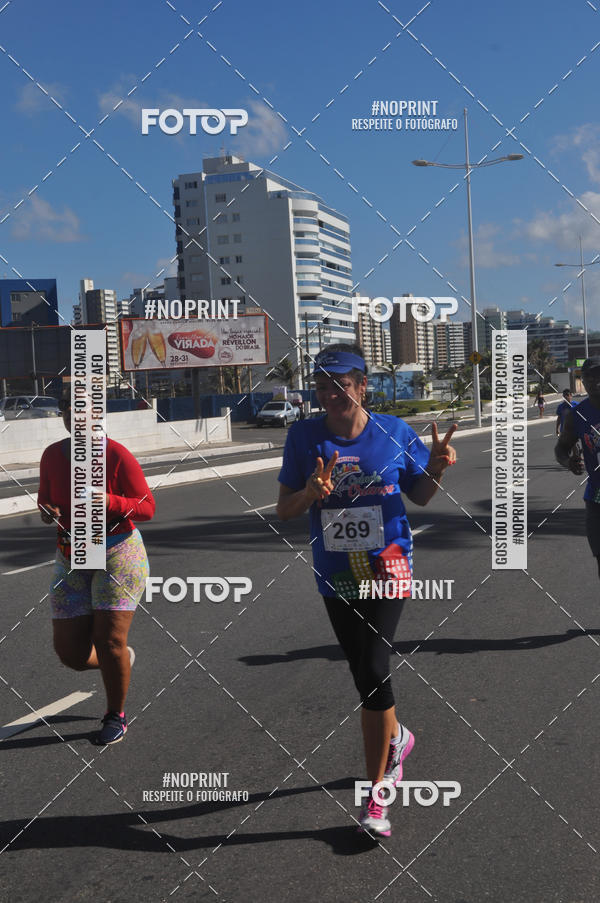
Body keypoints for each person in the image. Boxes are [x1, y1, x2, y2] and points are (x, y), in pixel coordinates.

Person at [276, 344, 457, 837]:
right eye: (322, 387)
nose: (331, 394)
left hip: (389, 566)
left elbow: (418, 494)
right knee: (362, 674)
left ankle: (376, 799)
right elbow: (284, 511)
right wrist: (309, 494)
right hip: (337, 572)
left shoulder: (394, 432)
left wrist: (436, 466)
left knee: (376, 671)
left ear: (361, 385)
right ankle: (396, 737)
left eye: (341, 384)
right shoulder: (304, 436)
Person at [37, 392, 155, 745]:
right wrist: (48, 512)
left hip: (117, 551)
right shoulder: (52, 455)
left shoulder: (115, 454)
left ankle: (115, 714)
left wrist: (109, 501)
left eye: (83, 412)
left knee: (108, 640)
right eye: (68, 412)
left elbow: (147, 508)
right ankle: (118, 660)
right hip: (72, 552)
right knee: (71, 654)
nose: (75, 419)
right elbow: (45, 499)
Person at [555, 358, 600, 578]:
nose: (595, 381)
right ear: (583, 380)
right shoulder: (577, 415)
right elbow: (561, 449)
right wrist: (569, 462)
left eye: (599, 375)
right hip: (597, 499)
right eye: (590, 376)